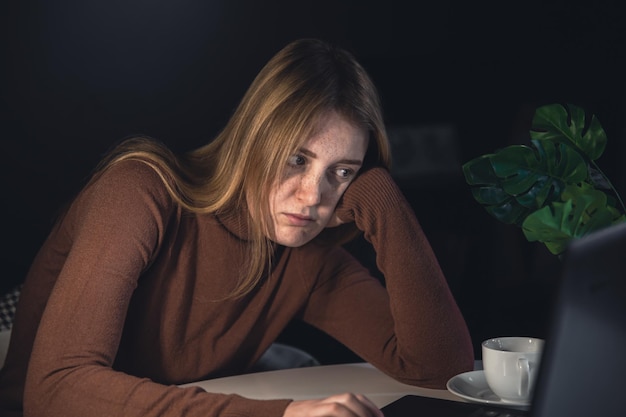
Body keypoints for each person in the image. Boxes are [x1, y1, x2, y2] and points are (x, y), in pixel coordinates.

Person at [0, 38, 473, 417]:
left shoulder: (309, 255)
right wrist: (283, 415)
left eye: (342, 171)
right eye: (296, 159)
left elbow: (438, 369)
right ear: (253, 139)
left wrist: (384, 201)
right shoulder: (141, 190)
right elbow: (54, 392)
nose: (313, 197)